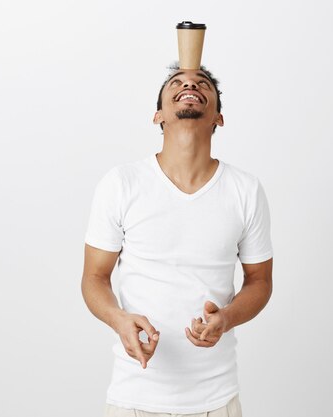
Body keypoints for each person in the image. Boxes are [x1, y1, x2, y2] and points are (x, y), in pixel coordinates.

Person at [82, 63, 273, 417]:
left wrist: (227, 318)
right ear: (158, 116)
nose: (189, 84)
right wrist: (118, 318)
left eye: (202, 83)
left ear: (219, 117)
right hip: (134, 398)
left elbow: (260, 282)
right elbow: (94, 278)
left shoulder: (245, 190)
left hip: (217, 399)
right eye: (177, 82)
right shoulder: (121, 183)